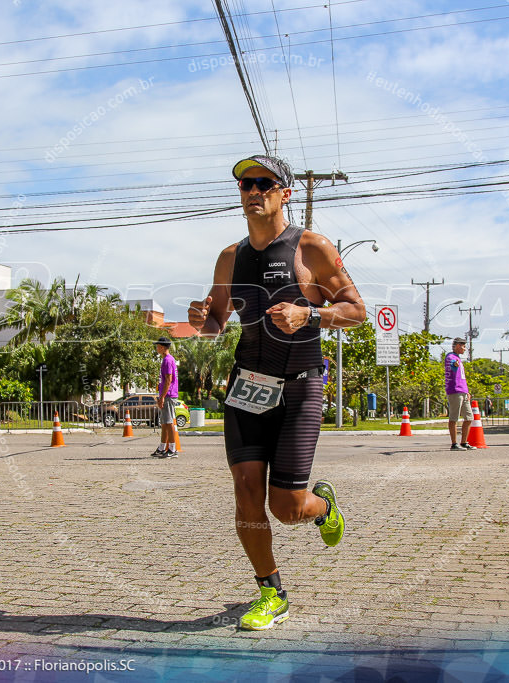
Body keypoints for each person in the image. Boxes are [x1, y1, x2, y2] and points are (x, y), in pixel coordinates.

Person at [187, 154, 366, 631]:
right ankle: (271, 591)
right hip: (247, 385)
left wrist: (311, 314)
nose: (253, 191)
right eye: (246, 184)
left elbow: (356, 310)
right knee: (246, 492)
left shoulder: (313, 248)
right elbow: (215, 323)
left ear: (285, 193)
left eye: (264, 182)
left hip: (302, 384)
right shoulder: (230, 257)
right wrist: (202, 318)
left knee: (286, 509)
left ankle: (322, 505)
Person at [445, 338, 475, 451]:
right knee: (454, 418)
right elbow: (451, 366)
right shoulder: (450, 357)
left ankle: (464, 442)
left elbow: (461, 377)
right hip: (454, 391)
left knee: (469, 417)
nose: (464, 349)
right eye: (463, 346)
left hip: (463, 391)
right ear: (457, 345)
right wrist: (455, 365)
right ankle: (454, 444)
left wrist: (467, 391)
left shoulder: (458, 359)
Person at [151, 337, 179, 458]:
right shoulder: (167, 359)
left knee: (168, 422)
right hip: (166, 394)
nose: (156, 348)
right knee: (164, 423)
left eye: (158, 346)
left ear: (162, 347)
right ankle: (162, 447)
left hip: (168, 395)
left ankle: (172, 449)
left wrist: (162, 397)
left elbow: (169, 379)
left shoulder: (168, 360)